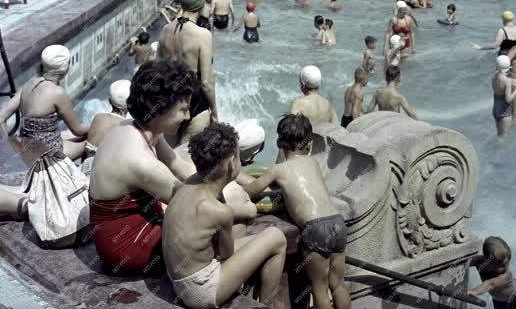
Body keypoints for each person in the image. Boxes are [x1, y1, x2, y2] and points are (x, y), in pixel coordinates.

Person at [89, 61, 197, 275]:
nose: (188, 117)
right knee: (220, 220)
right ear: (160, 111)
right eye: (183, 110)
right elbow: (191, 207)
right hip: (128, 250)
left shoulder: (137, 127)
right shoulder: (141, 161)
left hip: (124, 229)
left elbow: (178, 164)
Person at [162, 123, 287, 308]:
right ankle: (266, 305)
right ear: (231, 162)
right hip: (200, 290)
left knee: (248, 233)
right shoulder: (220, 212)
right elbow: (226, 253)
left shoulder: (191, 183)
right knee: (276, 237)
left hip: (179, 279)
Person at [245, 114, 351, 309]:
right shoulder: (313, 163)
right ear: (309, 144)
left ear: (279, 143)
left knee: (319, 289)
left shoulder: (279, 169)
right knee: (337, 285)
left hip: (315, 227)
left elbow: (252, 189)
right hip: (337, 222)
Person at [0, 44, 88, 161]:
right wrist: (99, 125)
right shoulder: (58, 93)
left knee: (67, 134)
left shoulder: (27, 86)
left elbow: (1, 117)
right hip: (49, 154)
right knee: (92, 139)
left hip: (28, 150)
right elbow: (78, 131)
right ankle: (78, 176)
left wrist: (14, 144)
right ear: (65, 68)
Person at [159, 0, 218, 144]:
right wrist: (214, 113)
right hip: (195, 101)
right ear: (201, 4)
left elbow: (158, 70)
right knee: (188, 158)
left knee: (170, 158)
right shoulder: (203, 35)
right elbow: (206, 83)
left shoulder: (165, 30)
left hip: (170, 101)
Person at [80, 79, 131, 176]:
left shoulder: (98, 117)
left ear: (109, 101)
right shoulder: (124, 125)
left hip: (85, 170)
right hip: (101, 176)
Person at [468, 236, 516, 308]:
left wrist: (472, 291)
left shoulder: (506, 276)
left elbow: (490, 284)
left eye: (507, 263)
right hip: (499, 300)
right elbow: (465, 262)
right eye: (501, 265)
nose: (505, 267)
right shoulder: (480, 261)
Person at [492, 55, 516, 137]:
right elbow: (508, 99)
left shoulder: (494, 77)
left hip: (496, 109)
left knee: (499, 135)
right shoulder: (507, 81)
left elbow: (500, 85)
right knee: (505, 138)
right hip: (505, 112)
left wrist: (513, 81)